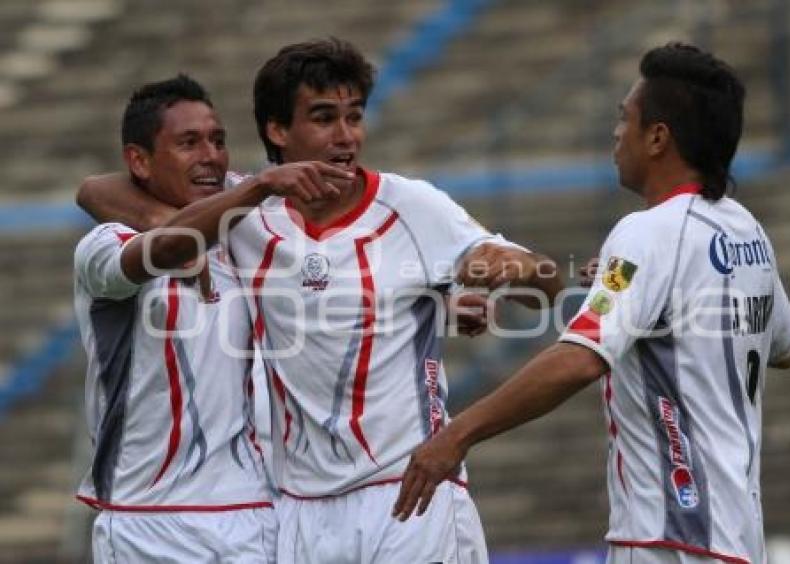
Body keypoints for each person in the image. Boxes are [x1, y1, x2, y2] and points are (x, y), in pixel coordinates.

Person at [77, 37, 563, 563]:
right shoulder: (245, 213)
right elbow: (96, 190)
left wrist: (513, 276)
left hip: (407, 489)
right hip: (297, 513)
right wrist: (164, 223)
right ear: (278, 131)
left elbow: (544, 287)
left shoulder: (412, 205)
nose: (345, 136)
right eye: (325, 118)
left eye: (354, 117)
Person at [392, 42, 790, 564]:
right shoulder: (747, 232)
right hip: (737, 539)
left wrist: (457, 433)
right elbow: (786, 345)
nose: (616, 134)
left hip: (668, 537)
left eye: (624, 118)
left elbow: (580, 359)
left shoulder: (648, 233)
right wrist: (626, 294)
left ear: (657, 137)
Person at [73, 74, 349, 562]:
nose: (212, 156)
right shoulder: (102, 247)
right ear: (139, 160)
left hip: (254, 511)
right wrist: (255, 187)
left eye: (218, 141)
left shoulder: (246, 229)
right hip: (148, 519)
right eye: (188, 143)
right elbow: (112, 203)